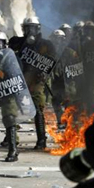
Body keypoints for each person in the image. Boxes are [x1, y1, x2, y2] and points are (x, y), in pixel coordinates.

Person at [0, 30, 36, 162]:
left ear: (5, 43)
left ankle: (13, 150)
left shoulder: (11, 57)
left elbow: (16, 73)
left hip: (8, 92)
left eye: (0, 42)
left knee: (9, 119)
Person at [9, 17, 57, 150]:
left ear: (38, 29)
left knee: (37, 109)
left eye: (33, 28)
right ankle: (11, 138)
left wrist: (45, 74)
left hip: (36, 80)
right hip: (20, 79)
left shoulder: (46, 45)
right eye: (27, 28)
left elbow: (51, 62)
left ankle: (41, 140)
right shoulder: (17, 42)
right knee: (12, 108)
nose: (30, 31)